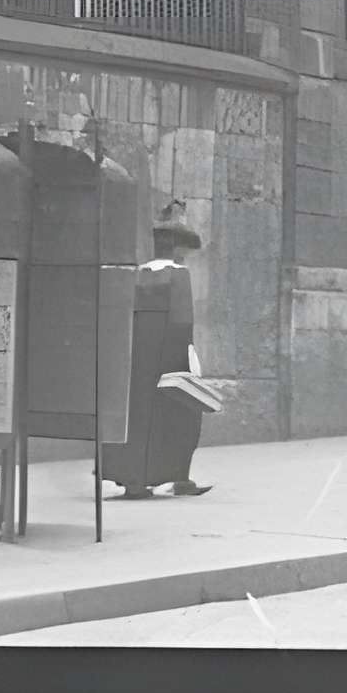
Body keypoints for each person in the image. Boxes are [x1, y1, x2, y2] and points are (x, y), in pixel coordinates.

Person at [100, 204, 212, 497]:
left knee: (137, 419)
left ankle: (135, 480)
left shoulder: (138, 273)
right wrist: (190, 360)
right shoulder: (179, 275)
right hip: (169, 359)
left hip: (136, 361)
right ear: (177, 248)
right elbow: (182, 323)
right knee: (182, 418)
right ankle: (179, 478)